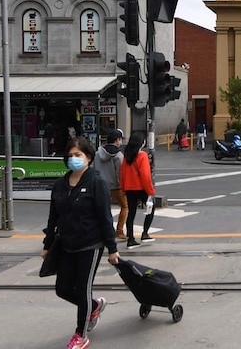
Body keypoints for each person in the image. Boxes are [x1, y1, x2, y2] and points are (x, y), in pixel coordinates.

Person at [42, 136, 120, 349]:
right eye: (70, 156)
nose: (74, 159)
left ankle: (81, 335)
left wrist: (112, 249)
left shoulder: (96, 183)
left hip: (90, 244)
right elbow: (53, 218)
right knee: (63, 289)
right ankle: (94, 306)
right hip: (66, 243)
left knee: (82, 289)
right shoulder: (60, 184)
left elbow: (105, 218)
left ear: (88, 157)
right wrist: (47, 244)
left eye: (78, 155)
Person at [120, 132, 156, 249]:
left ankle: (130, 239)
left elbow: (122, 173)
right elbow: (145, 175)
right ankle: (145, 233)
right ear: (142, 142)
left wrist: (123, 187)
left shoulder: (127, 155)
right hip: (141, 188)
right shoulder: (142, 155)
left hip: (129, 188)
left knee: (131, 213)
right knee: (151, 208)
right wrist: (150, 191)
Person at [94, 129, 128, 240]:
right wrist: (122, 186)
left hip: (100, 185)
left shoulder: (98, 153)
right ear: (117, 140)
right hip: (115, 186)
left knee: (104, 209)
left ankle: (104, 231)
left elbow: (92, 168)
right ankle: (119, 230)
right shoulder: (118, 155)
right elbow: (120, 173)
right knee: (124, 206)